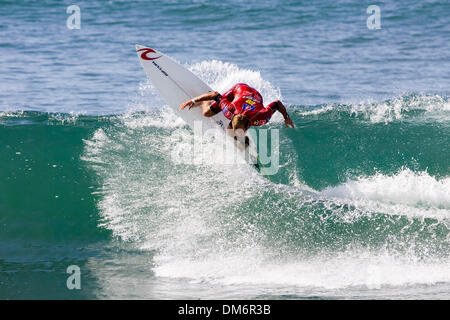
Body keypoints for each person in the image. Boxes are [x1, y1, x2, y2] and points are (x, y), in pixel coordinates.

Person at [180, 83, 295, 136]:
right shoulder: (230, 109)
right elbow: (215, 94)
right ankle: (205, 102)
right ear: (231, 118)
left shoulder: (262, 117)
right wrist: (194, 100)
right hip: (240, 89)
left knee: (231, 133)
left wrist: (287, 118)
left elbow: (277, 104)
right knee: (206, 113)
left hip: (256, 96)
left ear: (247, 127)